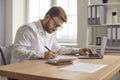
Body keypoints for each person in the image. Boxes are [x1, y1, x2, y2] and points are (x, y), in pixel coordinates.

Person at [11, 6, 93, 63]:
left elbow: (59, 49)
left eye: (59, 26)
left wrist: (78, 50)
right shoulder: (28, 29)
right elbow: (17, 52)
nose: (56, 29)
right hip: (20, 72)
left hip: (36, 68)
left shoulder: (49, 33)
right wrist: (43, 54)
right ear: (47, 17)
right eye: (55, 24)